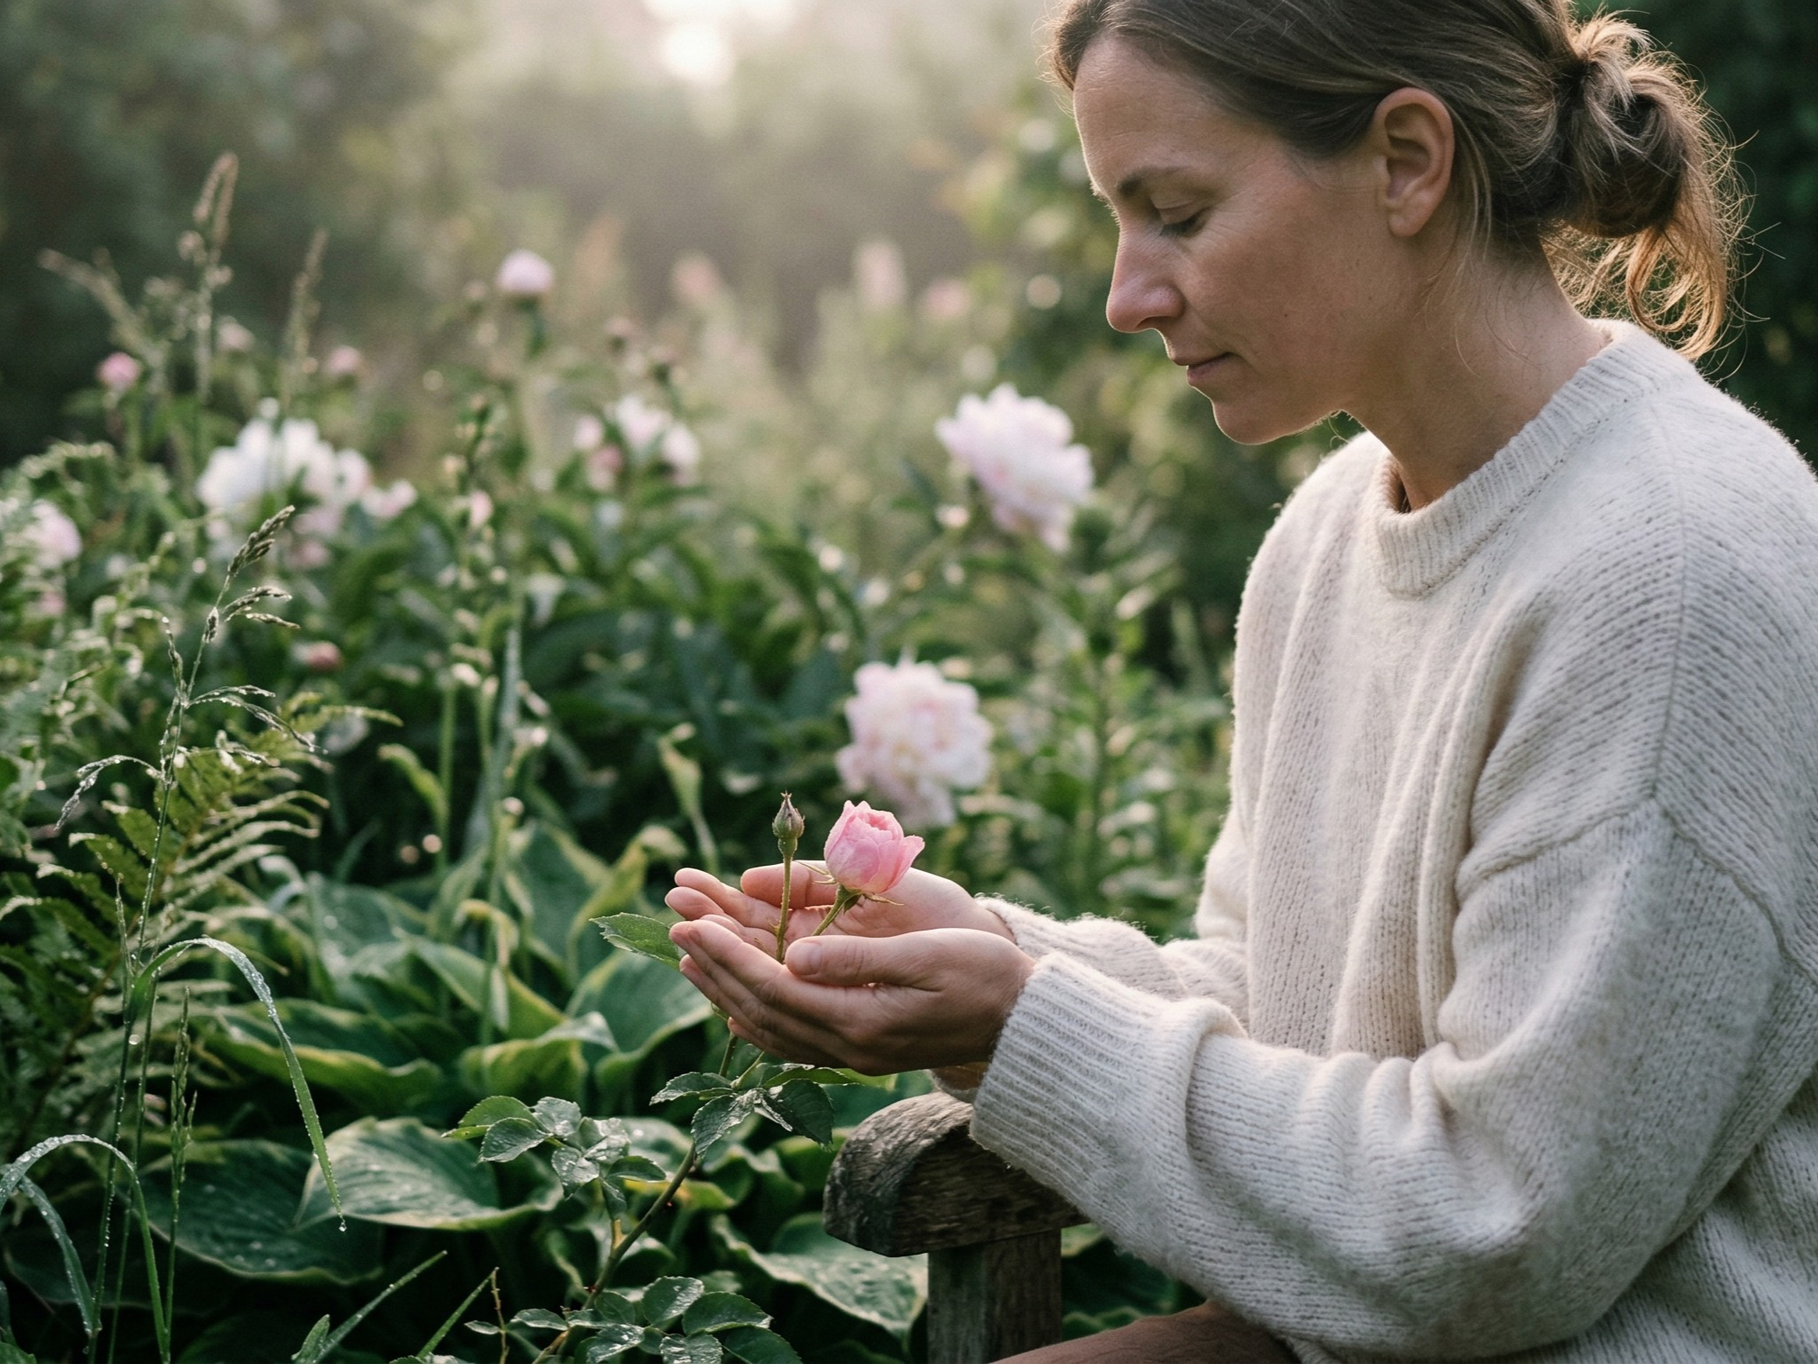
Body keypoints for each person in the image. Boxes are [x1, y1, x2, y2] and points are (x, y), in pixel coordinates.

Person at [667, 0, 1818, 1358]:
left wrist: (1026, 1026)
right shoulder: (1328, 535)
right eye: (1118, 216)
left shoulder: (1671, 577)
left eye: (1178, 212)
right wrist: (991, 959)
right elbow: (1275, 1007)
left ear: (1404, 160)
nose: (1124, 293)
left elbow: (1497, 1230)